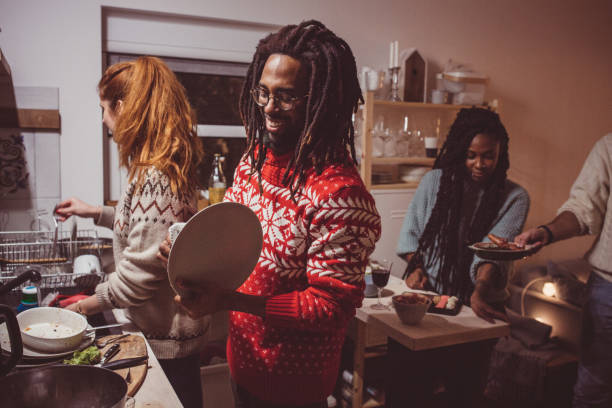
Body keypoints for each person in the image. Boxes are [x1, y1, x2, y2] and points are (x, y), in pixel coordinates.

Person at [159, 20, 381, 408]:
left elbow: (330, 307)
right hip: (242, 359)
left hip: (293, 385)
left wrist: (228, 302)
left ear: (320, 102)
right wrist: (187, 248)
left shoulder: (340, 194)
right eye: (262, 92)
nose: (268, 108)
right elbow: (231, 236)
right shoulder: (253, 162)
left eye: (286, 97)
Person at [55, 56, 208, 408]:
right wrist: (95, 212)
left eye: (104, 109)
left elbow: (141, 275)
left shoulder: (156, 177)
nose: (105, 121)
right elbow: (147, 228)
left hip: (168, 347)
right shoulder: (153, 168)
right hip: (162, 338)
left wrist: (83, 309)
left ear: (122, 108)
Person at [390, 107, 530, 407]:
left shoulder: (515, 198)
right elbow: (412, 234)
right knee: (409, 389)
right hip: (429, 304)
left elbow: (491, 254)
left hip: (477, 310)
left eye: (488, 156)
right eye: (471, 155)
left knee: (464, 393)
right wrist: (416, 268)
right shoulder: (434, 183)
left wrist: (480, 291)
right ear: (458, 152)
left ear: (500, 153)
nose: (480, 164)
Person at [515, 133, 612, 408]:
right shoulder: (609, 147)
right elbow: (583, 209)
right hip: (609, 290)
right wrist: (548, 231)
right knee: (595, 389)